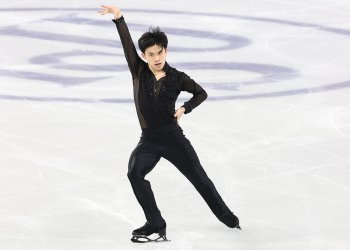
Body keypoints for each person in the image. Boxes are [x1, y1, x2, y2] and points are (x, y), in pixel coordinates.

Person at [98, 5, 241, 243]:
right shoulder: (139, 71)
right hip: (149, 141)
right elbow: (126, 45)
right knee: (135, 173)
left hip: (174, 140)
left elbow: (201, 93)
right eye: (150, 54)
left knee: (200, 179)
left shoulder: (177, 77)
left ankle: (229, 218)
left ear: (166, 51)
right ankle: (155, 221)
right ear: (144, 56)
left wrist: (185, 108)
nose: (156, 58)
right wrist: (119, 18)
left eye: (160, 52)